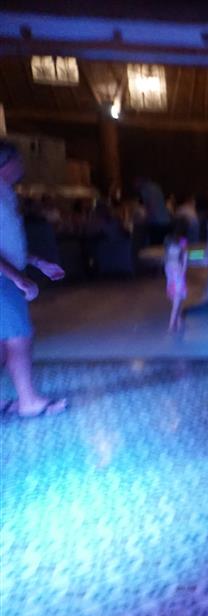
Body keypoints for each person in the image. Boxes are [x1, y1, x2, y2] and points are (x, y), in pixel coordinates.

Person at [0, 141, 68, 418]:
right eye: (18, 160)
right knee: (19, 338)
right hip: (3, 281)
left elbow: (9, 244)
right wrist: (18, 278)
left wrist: (38, 263)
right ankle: (29, 402)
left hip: (6, 277)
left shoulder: (7, 195)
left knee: (4, 343)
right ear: (4, 163)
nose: (22, 165)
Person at [133, 176, 172, 246]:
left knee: (155, 246)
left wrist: (145, 220)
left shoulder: (144, 189)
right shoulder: (156, 186)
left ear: (140, 182)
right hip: (166, 221)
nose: (135, 186)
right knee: (162, 246)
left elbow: (150, 207)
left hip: (156, 223)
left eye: (136, 183)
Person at [164, 234, 188, 332]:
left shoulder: (170, 262)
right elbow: (181, 273)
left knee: (176, 306)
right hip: (174, 286)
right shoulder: (171, 262)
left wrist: (184, 259)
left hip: (176, 287)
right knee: (176, 305)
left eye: (176, 248)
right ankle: (177, 322)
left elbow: (181, 273)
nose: (175, 250)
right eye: (173, 248)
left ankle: (172, 325)